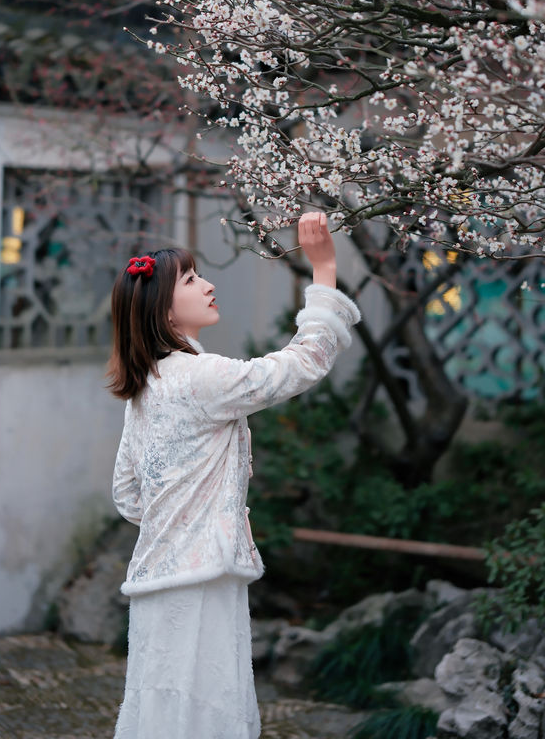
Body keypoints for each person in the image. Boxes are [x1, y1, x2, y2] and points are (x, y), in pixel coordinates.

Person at [107, 212, 361, 739]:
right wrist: (324, 272)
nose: (208, 284)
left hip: (156, 577)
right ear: (165, 309)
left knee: (162, 709)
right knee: (206, 710)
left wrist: (178, 520)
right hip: (203, 575)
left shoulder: (146, 387)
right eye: (191, 279)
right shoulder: (201, 376)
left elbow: (128, 495)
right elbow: (301, 365)